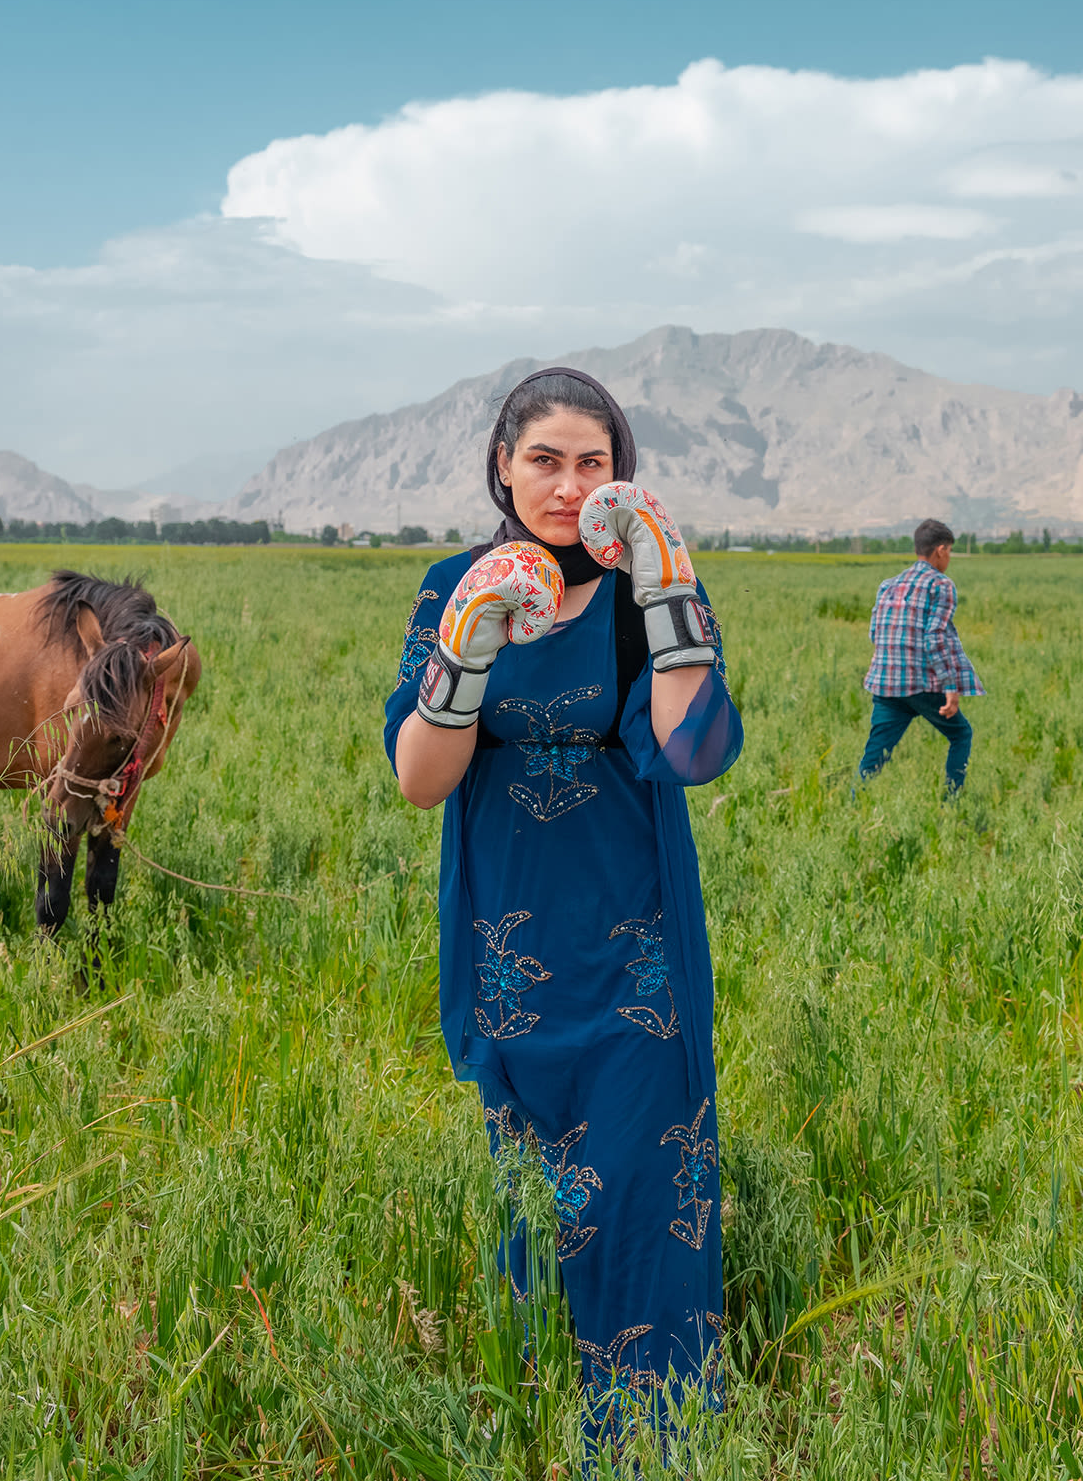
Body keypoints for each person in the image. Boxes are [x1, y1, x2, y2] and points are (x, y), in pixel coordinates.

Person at [383, 367, 741, 1448]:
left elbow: (697, 752)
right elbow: (419, 779)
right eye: (545, 459)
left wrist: (669, 602)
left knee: (642, 1166)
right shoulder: (454, 582)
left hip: (634, 937)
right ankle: (529, 1396)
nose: (567, 483)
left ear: (621, 479)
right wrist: (465, 649)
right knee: (522, 1172)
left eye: (595, 463)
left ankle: (654, 1427)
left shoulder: (651, 587)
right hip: (508, 937)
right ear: (502, 466)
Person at [857, 518, 984, 796]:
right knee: (961, 734)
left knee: (876, 753)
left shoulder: (887, 585)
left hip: (885, 683)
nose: (948, 558)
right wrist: (950, 687)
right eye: (949, 551)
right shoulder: (942, 585)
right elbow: (935, 638)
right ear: (940, 550)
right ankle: (952, 803)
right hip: (921, 685)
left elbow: (875, 632)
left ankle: (856, 804)